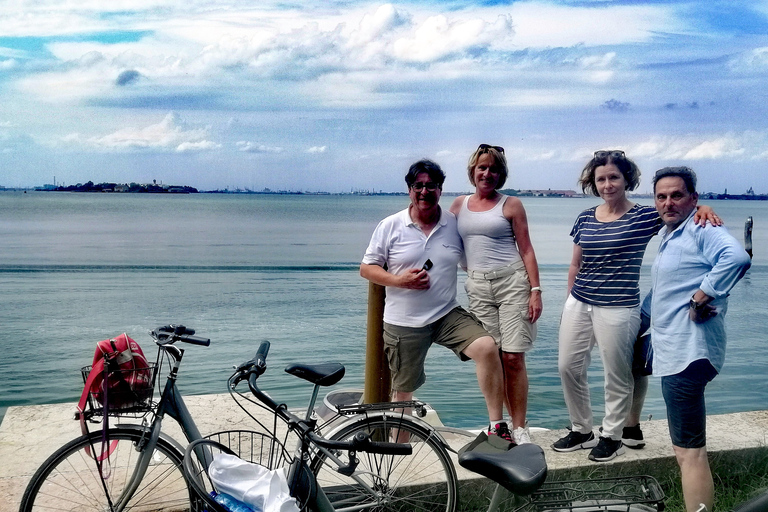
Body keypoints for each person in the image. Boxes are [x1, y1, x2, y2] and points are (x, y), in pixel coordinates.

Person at [553, 150, 720, 462]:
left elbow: (680, 210)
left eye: (614, 177)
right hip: (579, 302)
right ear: (593, 182)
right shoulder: (585, 217)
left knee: (616, 374)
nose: (607, 184)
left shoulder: (644, 216)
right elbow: (576, 264)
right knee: (568, 367)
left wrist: (704, 207)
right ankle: (582, 429)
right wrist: (569, 300)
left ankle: (613, 435)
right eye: (601, 179)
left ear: (626, 179)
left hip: (619, 307)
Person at [360, 159, 508, 440]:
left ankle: (498, 426)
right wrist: (399, 280)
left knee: (487, 347)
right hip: (404, 322)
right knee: (403, 391)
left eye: (432, 186)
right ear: (409, 189)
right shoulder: (390, 225)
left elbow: (479, 248)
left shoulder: (453, 223)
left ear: (441, 190)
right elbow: (367, 268)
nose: (425, 191)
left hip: (446, 314)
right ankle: (399, 453)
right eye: (419, 185)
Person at [650, 166, 750, 512]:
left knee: (689, 452)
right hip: (676, 349)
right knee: (687, 448)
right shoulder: (674, 232)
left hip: (688, 352)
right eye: (661, 196)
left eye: (677, 195)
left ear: (694, 198)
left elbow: (736, 258)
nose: (668, 202)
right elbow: (667, 289)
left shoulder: (700, 227)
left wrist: (701, 297)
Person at [449, 144, 542, 445]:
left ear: (500, 174)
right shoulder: (458, 206)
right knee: (493, 358)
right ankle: (499, 426)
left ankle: (520, 427)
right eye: (482, 168)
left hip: (512, 282)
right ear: (473, 171)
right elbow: (438, 239)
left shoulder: (511, 204)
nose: (487, 173)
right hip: (477, 287)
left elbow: (526, 248)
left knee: (513, 357)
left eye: (493, 168)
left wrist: (536, 291)